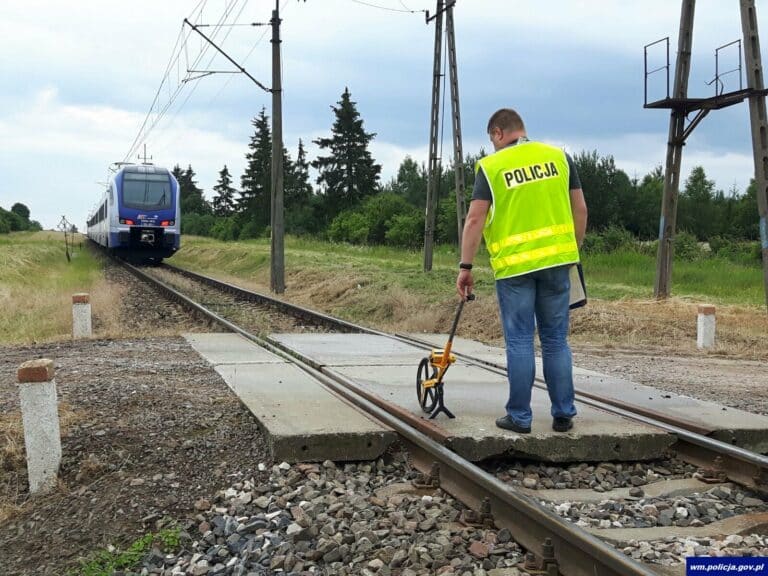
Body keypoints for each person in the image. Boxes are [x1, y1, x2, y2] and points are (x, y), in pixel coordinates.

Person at [456, 108, 587, 434]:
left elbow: (475, 219)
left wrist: (466, 267)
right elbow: (580, 209)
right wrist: (571, 252)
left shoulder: (492, 167)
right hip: (558, 264)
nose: (493, 146)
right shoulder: (559, 158)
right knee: (555, 340)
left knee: (519, 341)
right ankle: (563, 414)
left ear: (498, 133)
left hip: (515, 269)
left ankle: (520, 416)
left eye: (492, 140)